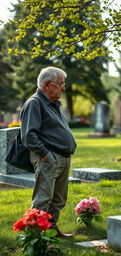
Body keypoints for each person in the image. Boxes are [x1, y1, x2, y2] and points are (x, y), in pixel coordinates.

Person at [20, 66, 77, 238]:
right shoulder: (34, 103)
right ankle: (36, 237)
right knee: (42, 200)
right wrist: (45, 154)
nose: (63, 87)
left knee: (58, 200)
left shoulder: (54, 104)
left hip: (63, 158)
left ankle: (51, 231)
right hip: (48, 158)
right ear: (47, 84)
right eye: (60, 84)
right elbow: (29, 136)